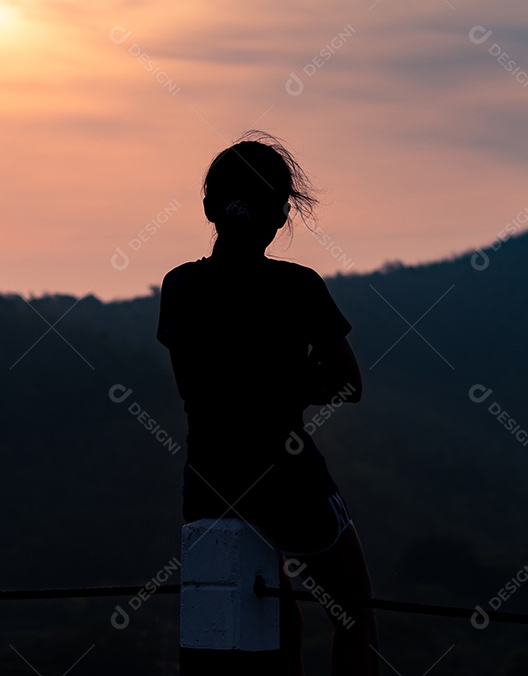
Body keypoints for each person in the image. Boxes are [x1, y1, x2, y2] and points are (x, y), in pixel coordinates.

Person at [157, 131, 379, 675]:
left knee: (276, 618)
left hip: (209, 476)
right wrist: (291, 380)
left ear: (209, 207)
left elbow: (199, 383)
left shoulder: (180, 287)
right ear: (281, 216)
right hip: (288, 476)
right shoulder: (298, 287)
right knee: (354, 615)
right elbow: (349, 384)